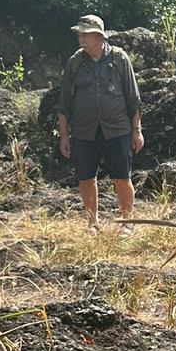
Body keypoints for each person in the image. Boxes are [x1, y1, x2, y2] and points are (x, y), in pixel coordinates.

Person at [57, 14, 144, 231]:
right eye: (79, 35)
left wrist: (137, 131)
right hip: (84, 132)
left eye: (85, 35)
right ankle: (92, 223)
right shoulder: (75, 63)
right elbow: (64, 103)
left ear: (99, 36)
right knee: (86, 178)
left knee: (122, 177)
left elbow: (134, 99)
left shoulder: (120, 59)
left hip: (117, 130)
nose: (81, 40)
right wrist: (64, 136)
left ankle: (127, 223)